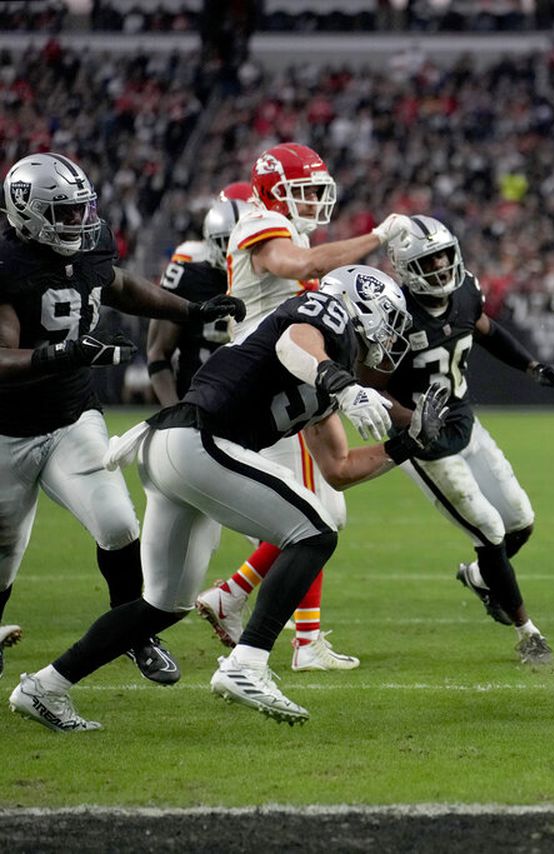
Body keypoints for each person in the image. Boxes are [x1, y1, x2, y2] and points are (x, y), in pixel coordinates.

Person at [8, 265, 442, 731]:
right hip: (200, 440)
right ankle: (247, 663)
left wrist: (406, 446)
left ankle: (45, 687)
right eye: (391, 320)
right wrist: (343, 383)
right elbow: (294, 343)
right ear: (364, 305)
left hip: (178, 448)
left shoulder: (330, 374)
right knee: (315, 530)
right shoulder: (323, 315)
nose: (393, 337)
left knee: (163, 605)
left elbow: (338, 470)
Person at [0, 152, 244, 684]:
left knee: (116, 523)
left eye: (79, 210)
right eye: (62, 213)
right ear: (27, 213)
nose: (77, 222)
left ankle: (136, 635)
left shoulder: (89, 243)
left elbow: (118, 285)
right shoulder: (6, 265)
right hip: (7, 430)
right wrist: (63, 354)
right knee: (4, 546)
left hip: (71, 417)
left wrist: (188, 309)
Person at [193, 143, 411, 671]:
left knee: (322, 506)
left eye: (318, 190)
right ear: (274, 191)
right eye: (306, 190)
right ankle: (291, 637)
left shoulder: (286, 226)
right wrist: (377, 237)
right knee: (317, 512)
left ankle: (239, 599)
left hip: (289, 379)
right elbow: (303, 264)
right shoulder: (262, 224)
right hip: (270, 375)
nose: (314, 200)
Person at [376, 216, 554, 663]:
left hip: (464, 419)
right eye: (430, 260)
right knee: (488, 530)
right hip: (423, 440)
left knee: (521, 521)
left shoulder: (464, 290)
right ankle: (528, 633)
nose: (442, 266)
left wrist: (532, 366)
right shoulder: (393, 312)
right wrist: (410, 418)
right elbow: (368, 385)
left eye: (446, 255)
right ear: (406, 267)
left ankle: (481, 578)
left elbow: (485, 329)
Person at [147, 198, 245, 405]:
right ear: (211, 241)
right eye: (228, 242)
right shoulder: (185, 277)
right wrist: (174, 412)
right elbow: (158, 352)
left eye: (245, 242)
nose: (235, 251)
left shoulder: (270, 278)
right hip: (196, 403)